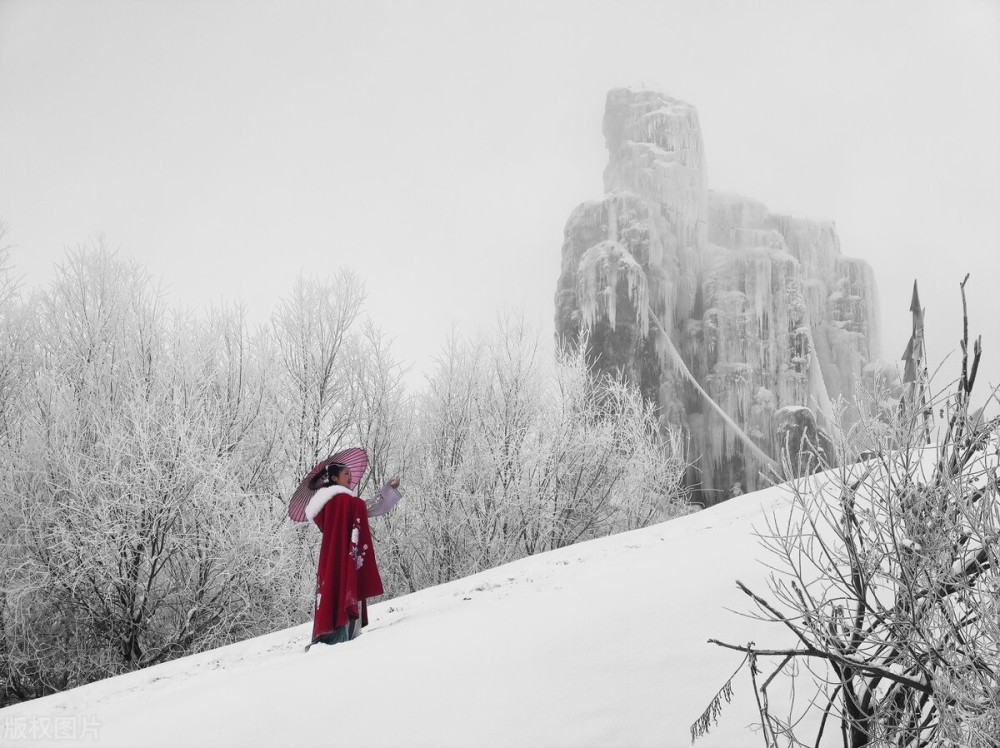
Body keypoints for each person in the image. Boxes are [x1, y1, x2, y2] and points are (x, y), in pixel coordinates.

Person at [304, 463, 401, 646]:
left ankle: (330, 636)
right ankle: (344, 638)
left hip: (330, 559)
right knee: (345, 588)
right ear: (334, 478)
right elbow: (367, 507)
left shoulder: (328, 504)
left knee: (332, 591)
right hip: (343, 558)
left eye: (350, 473)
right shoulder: (343, 500)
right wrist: (388, 491)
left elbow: (360, 508)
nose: (350, 477)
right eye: (346, 474)